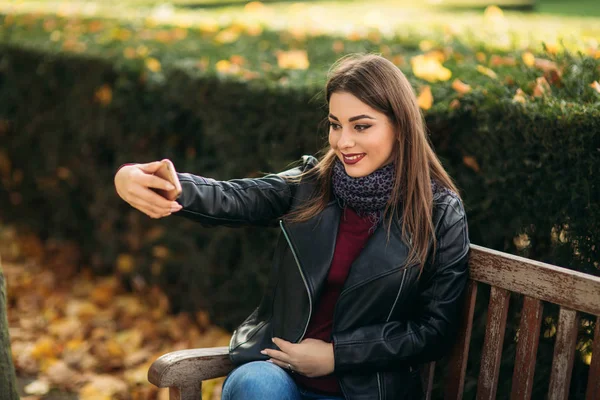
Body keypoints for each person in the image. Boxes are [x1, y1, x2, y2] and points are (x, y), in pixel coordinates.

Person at [114, 53, 470, 400]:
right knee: (254, 384)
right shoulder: (312, 184)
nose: (343, 142)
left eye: (361, 126)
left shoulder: (438, 211)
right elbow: (235, 197)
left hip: (366, 390)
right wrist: (144, 179)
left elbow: (435, 330)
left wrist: (336, 355)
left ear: (400, 127)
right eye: (335, 124)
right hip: (280, 380)